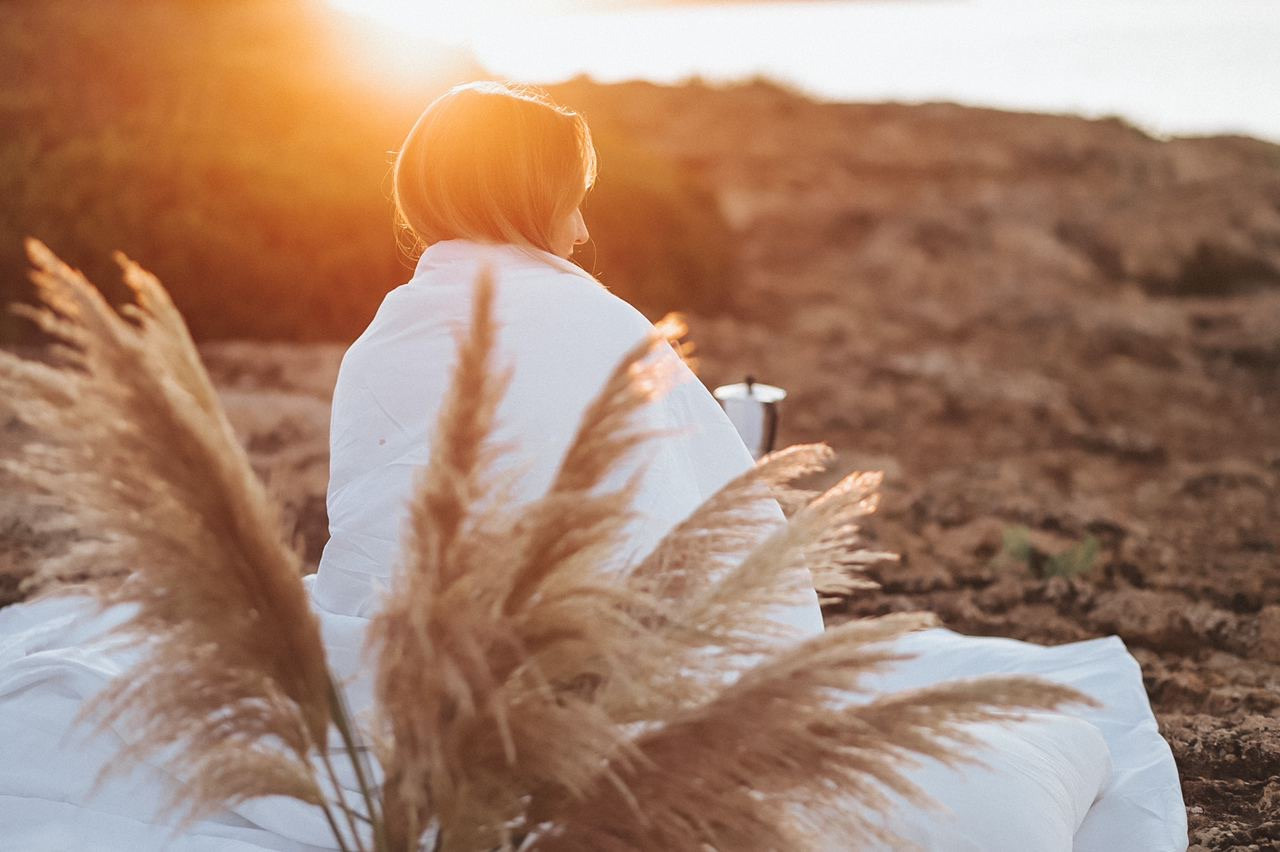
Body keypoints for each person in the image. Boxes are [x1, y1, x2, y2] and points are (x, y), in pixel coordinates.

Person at [0, 80, 1186, 850]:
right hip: (605, 698)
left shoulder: (388, 332)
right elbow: (713, 532)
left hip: (414, 683)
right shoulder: (602, 321)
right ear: (537, 196)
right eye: (570, 198)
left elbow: (377, 540)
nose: (581, 223)